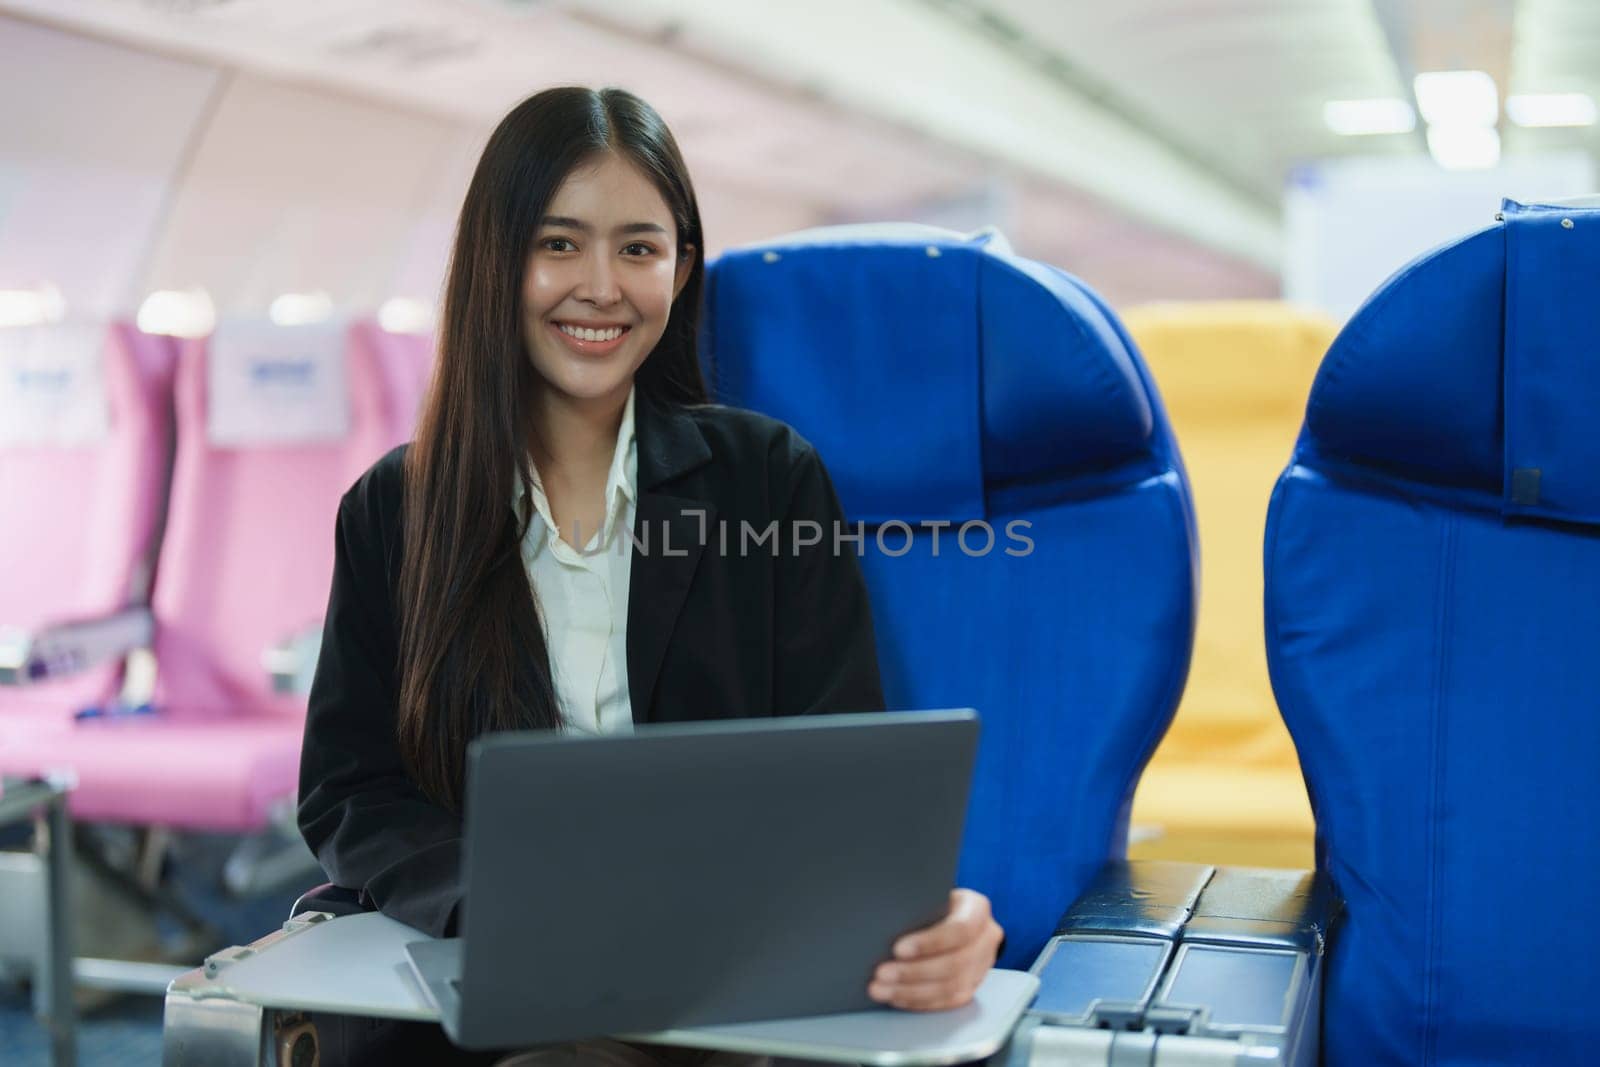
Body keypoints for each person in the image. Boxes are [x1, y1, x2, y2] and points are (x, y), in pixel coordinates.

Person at [297, 86, 1003, 1066]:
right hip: (480, 961)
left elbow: (838, 774)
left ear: (682, 267)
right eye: (557, 244)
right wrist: (487, 903)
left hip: (718, 971)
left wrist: (938, 913)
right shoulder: (397, 507)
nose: (602, 286)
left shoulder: (767, 479)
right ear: (494, 262)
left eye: (638, 247)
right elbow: (353, 787)